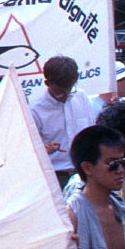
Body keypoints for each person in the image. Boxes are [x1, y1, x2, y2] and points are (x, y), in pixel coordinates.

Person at [30, 56, 101, 188]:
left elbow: (93, 132)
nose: (65, 95)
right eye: (59, 93)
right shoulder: (36, 110)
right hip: (55, 177)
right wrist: (43, 150)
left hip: (84, 174)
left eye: (69, 90)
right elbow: (28, 152)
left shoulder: (81, 97)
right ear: (47, 83)